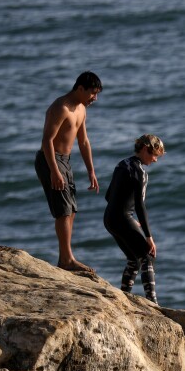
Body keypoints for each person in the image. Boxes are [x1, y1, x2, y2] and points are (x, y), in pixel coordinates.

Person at [35, 71, 103, 273]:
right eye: (92, 93)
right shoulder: (60, 107)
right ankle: (66, 260)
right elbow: (47, 140)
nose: (95, 98)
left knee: (71, 210)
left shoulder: (81, 109)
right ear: (80, 88)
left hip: (65, 161)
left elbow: (83, 141)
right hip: (50, 160)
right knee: (63, 211)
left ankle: (65, 258)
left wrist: (91, 170)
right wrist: (54, 172)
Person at [103, 134, 165, 304]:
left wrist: (127, 218)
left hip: (109, 218)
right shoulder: (139, 171)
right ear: (145, 149)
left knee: (133, 259)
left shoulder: (122, 164)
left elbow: (109, 196)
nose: (155, 160)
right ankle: (152, 302)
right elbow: (140, 205)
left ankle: (124, 297)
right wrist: (148, 236)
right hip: (122, 218)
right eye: (154, 155)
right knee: (147, 255)